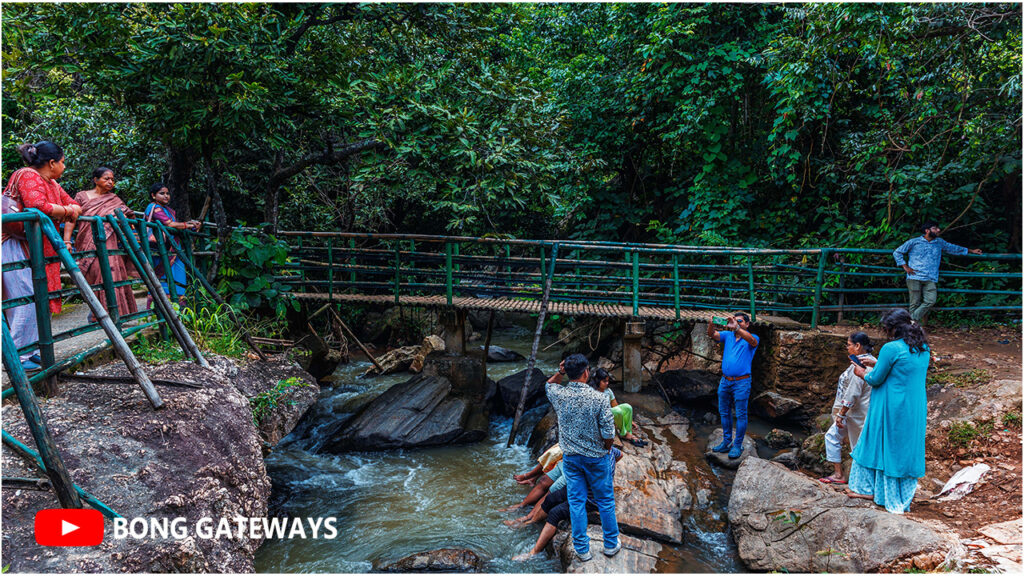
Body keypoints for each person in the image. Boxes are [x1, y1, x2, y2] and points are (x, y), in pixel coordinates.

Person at [2, 142, 81, 371]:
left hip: (34, 246)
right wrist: (67, 212)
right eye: (63, 161)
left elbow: (75, 204)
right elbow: (38, 206)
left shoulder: (53, 183)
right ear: (52, 162)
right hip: (15, 245)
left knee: (38, 297)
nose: (64, 166)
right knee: (25, 299)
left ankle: (33, 350)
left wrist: (69, 209)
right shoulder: (26, 175)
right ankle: (17, 357)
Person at [846, 309, 929, 514]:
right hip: (915, 405)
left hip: (891, 404)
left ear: (892, 329)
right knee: (905, 447)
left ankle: (868, 489)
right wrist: (877, 363)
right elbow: (903, 370)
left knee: (878, 442)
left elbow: (876, 379)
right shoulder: (923, 348)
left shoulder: (891, 348)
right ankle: (901, 495)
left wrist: (862, 372)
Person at [545, 353, 619, 561]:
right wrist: (605, 449)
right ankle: (611, 545)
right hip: (596, 457)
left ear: (568, 372)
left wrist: (560, 372)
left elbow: (548, 385)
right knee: (605, 501)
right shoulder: (599, 398)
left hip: (571, 458)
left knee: (576, 501)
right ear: (587, 372)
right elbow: (608, 433)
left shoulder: (559, 394)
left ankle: (582, 549)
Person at [513, 448, 623, 562]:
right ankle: (530, 522)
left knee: (555, 513)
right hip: (579, 489)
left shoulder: (595, 458)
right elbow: (620, 455)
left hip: (590, 500)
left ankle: (534, 552)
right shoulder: (609, 451)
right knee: (551, 498)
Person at [73, 167, 139, 318]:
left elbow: (129, 218)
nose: (110, 182)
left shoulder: (114, 200)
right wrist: (66, 240)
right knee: (93, 274)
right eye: (106, 178)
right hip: (86, 242)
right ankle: (98, 311)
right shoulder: (81, 196)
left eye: (112, 179)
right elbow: (72, 218)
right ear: (96, 180)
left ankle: (113, 314)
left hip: (110, 243)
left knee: (110, 272)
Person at [893, 221, 982, 324]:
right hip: (914, 276)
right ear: (927, 231)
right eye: (935, 228)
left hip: (931, 277)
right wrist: (905, 266)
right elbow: (897, 252)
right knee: (914, 303)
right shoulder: (914, 242)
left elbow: (953, 248)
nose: (938, 230)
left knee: (931, 300)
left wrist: (971, 251)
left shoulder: (939, 242)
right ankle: (913, 327)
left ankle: (910, 320)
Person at [819, 332, 875, 485]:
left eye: (849, 344)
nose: (847, 348)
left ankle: (852, 480)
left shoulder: (862, 365)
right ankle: (842, 475)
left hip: (855, 413)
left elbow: (853, 392)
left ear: (858, 346)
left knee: (857, 446)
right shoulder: (871, 362)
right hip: (860, 412)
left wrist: (841, 414)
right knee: (834, 437)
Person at [707, 312, 759, 459]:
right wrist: (711, 323)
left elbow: (753, 342)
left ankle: (737, 445)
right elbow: (712, 334)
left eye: (740, 321)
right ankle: (726, 441)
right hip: (725, 380)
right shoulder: (728, 335)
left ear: (747, 324)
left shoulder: (752, 338)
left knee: (741, 414)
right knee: (724, 412)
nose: (737, 323)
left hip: (742, 382)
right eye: (735, 321)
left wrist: (736, 328)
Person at [144, 183, 200, 306]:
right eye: (162, 193)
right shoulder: (153, 207)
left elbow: (174, 225)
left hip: (173, 250)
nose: (166, 196)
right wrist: (187, 225)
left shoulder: (168, 210)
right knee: (163, 278)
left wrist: (189, 224)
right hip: (161, 250)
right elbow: (169, 224)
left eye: (167, 193)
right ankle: (159, 312)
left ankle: (178, 312)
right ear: (153, 195)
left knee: (177, 278)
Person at [589, 368, 647, 447]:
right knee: (617, 411)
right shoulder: (592, 392)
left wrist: (631, 421)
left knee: (627, 407)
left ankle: (628, 431)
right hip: (600, 418)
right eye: (604, 381)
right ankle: (624, 433)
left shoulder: (608, 391)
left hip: (610, 415)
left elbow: (615, 406)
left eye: (607, 381)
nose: (607, 383)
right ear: (597, 380)